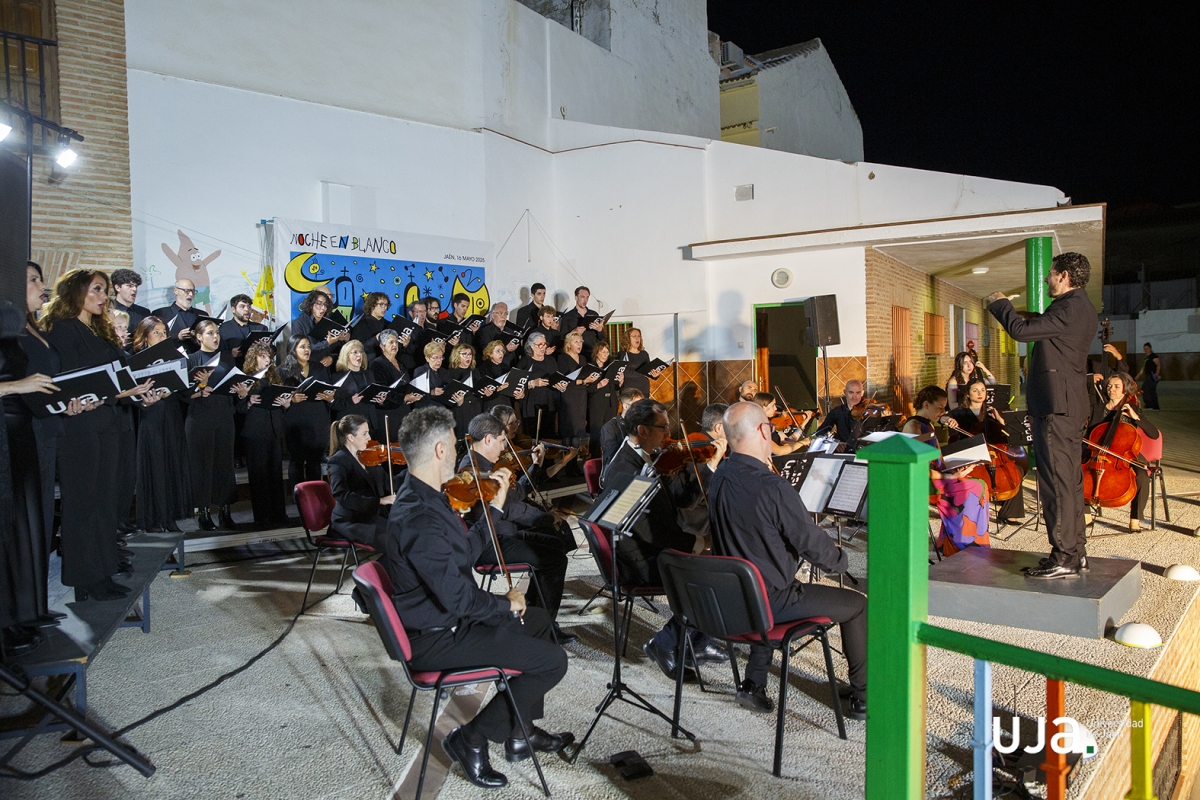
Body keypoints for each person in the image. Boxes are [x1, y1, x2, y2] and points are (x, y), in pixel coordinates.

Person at [384, 406, 572, 788]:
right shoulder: (419, 516)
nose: (457, 453)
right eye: (454, 445)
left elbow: (465, 553)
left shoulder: (429, 497)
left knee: (537, 622)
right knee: (553, 662)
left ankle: (520, 733)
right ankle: (471, 737)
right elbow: (459, 602)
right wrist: (506, 602)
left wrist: (496, 507)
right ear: (439, 450)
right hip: (437, 635)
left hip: (448, 618)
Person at [709, 401, 867, 719]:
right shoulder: (773, 487)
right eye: (770, 425)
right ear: (761, 431)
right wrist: (840, 560)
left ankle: (753, 684)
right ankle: (865, 696)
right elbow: (810, 544)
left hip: (731, 597)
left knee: (765, 578)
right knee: (858, 605)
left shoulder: (719, 475)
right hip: (769, 601)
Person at [43, 269, 155, 601]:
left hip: (107, 424)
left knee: (106, 501)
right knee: (83, 504)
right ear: (76, 292)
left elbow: (114, 379)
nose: (103, 296)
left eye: (105, 290)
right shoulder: (62, 331)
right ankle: (84, 579)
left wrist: (138, 391)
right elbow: (66, 379)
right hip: (79, 427)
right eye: (97, 289)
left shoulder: (98, 331)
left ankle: (103, 572)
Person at [600, 399, 728, 682]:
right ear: (643, 431)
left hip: (656, 544)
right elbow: (645, 529)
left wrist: (708, 468)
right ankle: (664, 643)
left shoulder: (655, 455)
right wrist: (696, 544)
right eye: (663, 428)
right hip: (639, 557)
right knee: (714, 574)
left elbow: (682, 499)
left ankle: (696, 641)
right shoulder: (623, 469)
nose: (670, 436)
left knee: (721, 564)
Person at [986, 251, 1097, 579]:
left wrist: (1000, 303)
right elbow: (1041, 327)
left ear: (1064, 276)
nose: (1046, 278)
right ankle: (1077, 553)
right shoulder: (1082, 307)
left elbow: (1020, 331)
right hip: (1070, 406)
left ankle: (1063, 556)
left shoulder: (1068, 307)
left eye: (1050, 273)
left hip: (1055, 408)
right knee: (1070, 484)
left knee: (1054, 484)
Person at [462, 414, 574, 642]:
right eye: (502, 441)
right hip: (490, 542)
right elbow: (509, 510)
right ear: (488, 439)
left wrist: (535, 466)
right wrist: (542, 517)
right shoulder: (472, 472)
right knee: (555, 559)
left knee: (555, 545)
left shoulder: (488, 466)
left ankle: (534, 618)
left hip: (503, 533)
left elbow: (517, 494)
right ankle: (544, 630)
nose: (505, 448)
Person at [185, 319, 250, 531]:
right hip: (200, 418)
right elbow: (182, 393)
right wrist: (200, 387)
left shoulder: (226, 359)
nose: (215, 337)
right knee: (201, 466)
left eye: (217, 334)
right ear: (198, 337)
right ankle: (203, 513)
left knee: (224, 465)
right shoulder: (192, 359)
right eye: (210, 333)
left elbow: (232, 386)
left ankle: (225, 512)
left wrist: (241, 393)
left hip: (223, 416)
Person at [130, 317, 193, 532]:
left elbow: (185, 390)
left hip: (172, 415)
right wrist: (144, 400)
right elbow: (129, 394)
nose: (162, 336)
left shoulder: (175, 357)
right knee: (155, 466)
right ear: (145, 337)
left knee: (172, 464)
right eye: (156, 332)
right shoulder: (136, 360)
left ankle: (170, 517)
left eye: (164, 332)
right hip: (151, 417)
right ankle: (154, 519)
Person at [946, 378, 1027, 525]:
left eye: (983, 390)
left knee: (1017, 471)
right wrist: (947, 420)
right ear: (968, 394)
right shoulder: (960, 412)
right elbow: (945, 418)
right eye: (975, 390)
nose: (980, 393)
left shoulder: (992, 411)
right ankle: (977, 511)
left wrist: (999, 419)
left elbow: (1008, 432)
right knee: (976, 476)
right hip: (971, 455)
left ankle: (1009, 513)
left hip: (994, 453)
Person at [1087, 371, 1159, 531]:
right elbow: (1089, 434)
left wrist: (1135, 417)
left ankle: (1135, 518)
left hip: (1126, 453)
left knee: (1141, 476)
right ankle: (1086, 514)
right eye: (1109, 386)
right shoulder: (1097, 409)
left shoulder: (1132, 408)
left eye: (1116, 386)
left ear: (1125, 390)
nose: (1111, 389)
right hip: (1099, 452)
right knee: (1078, 471)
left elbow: (1153, 434)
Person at [238, 341, 292, 526]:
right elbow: (237, 410)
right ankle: (262, 516)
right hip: (255, 431)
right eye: (263, 356)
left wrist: (286, 404)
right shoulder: (246, 379)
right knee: (259, 476)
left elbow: (281, 403)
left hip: (274, 430)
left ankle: (279, 514)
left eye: (269, 356)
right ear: (254, 358)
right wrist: (247, 400)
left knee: (275, 475)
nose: (267, 359)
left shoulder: (274, 377)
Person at [326, 415, 394, 549]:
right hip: (350, 521)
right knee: (394, 543)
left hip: (371, 517)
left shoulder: (369, 457)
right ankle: (378, 570)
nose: (369, 437)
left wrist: (415, 472)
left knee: (407, 536)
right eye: (364, 433)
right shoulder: (338, 461)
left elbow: (389, 482)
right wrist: (379, 501)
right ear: (350, 437)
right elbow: (342, 495)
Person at [278, 335, 336, 488]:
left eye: (308, 346)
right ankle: (299, 498)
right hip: (296, 420)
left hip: (317, 419)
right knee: (296, 461)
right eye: (302, 347)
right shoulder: (283, 371)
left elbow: (329, 389)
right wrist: (291, 400)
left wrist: (330, 396)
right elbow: (277, 399)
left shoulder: (319, 368)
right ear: (293, 349)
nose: (307, 350)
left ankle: (314, 501)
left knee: (314, 462)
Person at [554, 331, 596, 447]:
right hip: (569, 396)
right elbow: (562, 379)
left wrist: (590, 378)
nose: (579, 344)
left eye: (581, 341)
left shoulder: (582, 358)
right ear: (568, 344)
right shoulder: (562, 358)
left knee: (578, 430)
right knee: (568, 430)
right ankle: (568, 461)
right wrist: (583, 381)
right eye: (576, 341)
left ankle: (576, 457)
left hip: (581, 395)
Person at [291, 289, 348, 370]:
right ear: (311, 305)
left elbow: (337, 348)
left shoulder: (328, 322)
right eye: (319, 304)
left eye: (325, 305)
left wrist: (332, 357)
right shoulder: (298, 323)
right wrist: (327, 343)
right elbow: (300, 350)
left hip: (327, 369)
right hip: (307, 368)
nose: (323, 308)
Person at [516, 332, 557, 437]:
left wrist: (560, 385)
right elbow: (516, 385)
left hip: (549, 403)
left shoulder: (551, 361)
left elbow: (555, 379)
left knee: (548, 436)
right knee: (533, 436)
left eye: (545, 344)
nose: (543, 347)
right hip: (531, 404)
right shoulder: (524, 362)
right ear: (532, 346)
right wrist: (532, 383)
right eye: (540, 345)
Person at [585, 339, 621, 458]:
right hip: (597, 403)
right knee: (596, 432)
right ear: (597, 352)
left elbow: (615, 385)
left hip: (610, 402)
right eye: (603, 352)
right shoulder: (590, 367)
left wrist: (620, 382)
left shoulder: (610, 366)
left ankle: (608, 457)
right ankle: (594, 458)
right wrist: (598, 385)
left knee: (609, 431)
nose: (606, 355)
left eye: (607, 352)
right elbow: (586, 388)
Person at [617, 327, 667, 399]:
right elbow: (623, 371)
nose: (637, 338)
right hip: (629, 389)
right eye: (634, 336)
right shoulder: (623, 354)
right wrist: (641, 374)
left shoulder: (644, 354)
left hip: (643, 389)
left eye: (639, 336)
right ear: (627, 339)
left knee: (643, 410)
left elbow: (648, 371)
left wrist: (655, 375)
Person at [599, 387, 644, 466]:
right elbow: (613, 457)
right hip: (618, 472)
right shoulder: (610, 427)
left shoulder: (641, 424)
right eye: (637, 406)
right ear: (626, 406)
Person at [331, 339, 372, 425]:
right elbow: (333, 404)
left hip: (369, 422)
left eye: (361, 352)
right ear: (346, 356)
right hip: (350, 423)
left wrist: (379, 399)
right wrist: (350, 400)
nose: (359, 355)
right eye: (355, 352)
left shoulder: (368, 374)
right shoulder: (338, 377)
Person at [151, 278, 200, 347]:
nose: (191, 294)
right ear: (176, 291)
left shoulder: (202, 315)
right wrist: (178, 337)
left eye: (193, 291)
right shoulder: (160, 314)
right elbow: (154, 339)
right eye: (187, 291)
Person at [813, 380, 865, 445]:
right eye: (851, 392)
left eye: (858, 393)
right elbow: (820, 433)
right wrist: (834, 442)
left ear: (862, 393)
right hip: (843, 452)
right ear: (845, 392)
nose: (854, 397)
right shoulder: (837, 411)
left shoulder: (867, 411)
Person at [558, 286, 604, 359]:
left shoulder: (593, 314)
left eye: (587, 297)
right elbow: (562, 338)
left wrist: (599, 330)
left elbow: (601, 338)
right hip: (575, 354)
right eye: (582, 297)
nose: (585, 300)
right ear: (576, 297)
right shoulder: (568, 316)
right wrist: (574, 332)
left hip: (592, 352)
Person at [219, 293, 267, 361]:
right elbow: (216, 352)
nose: (247, 309)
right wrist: (230, 353)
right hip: (233, 368)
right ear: (233, 309)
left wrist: (267, 347)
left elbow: (273, 349)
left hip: (256, 369)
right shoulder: (223, 329)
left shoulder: (261, 328)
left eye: (249, 306)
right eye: (242, 306)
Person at [351, 291, 391, 357]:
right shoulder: (361, 325)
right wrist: (375, 339)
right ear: (372, 305)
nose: (385, 308)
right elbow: (356, 348)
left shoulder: (389, 325)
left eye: (386, 305)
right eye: (381, 304)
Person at [393, 298, 428, 372]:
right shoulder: (405, 328)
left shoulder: (430, 328)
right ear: (411, 313)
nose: (422, 315)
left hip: (427, 365)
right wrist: (406, 345)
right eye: (419, 312)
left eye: (424, 311)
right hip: (411, 367)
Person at [1136, 343, 1161, 410]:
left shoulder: (1154, 356)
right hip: (1148, 375)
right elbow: (1143, 367)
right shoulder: (1146, 357)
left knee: (1147, 389)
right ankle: (1153, 406)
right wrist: (1139, 375)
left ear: (1150, 349)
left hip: (1152, 375)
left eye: (1147, 348)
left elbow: (1158, 365)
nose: (1146, 350)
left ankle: (1151, 405)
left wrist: (1157, 373)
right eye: (1144, 349)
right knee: (1149, 390)